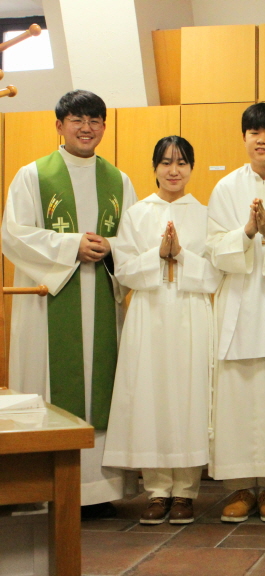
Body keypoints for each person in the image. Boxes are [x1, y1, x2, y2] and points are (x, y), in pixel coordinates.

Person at [2, 90, 137, 519]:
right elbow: (13, 234)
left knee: (101, 388)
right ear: (59, 125)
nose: (86, 128)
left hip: (102, 301)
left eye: (94, 120)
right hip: (49, 305)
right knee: (50, 386)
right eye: (77, 119)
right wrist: (71, 246)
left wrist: (110, 247)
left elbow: (134, 240)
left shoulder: (119, 181)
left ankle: (98, 490)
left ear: (104, 127)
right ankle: (46, 489)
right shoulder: (32, 176)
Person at [103, 136, 222, 525]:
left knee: (189, 395)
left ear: (191, 168)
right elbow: (123, 270)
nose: (174, 170)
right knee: (150, 395)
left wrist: (181, 255)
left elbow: (215, 274)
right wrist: (158, 255)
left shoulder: (204, 214)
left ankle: (186, 491)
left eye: (182, 162)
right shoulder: (137, 214)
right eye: (166, 162)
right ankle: (156, 490)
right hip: (149, 313)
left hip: (191, 311)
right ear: (154, 167)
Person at [206, 103, 265, 524]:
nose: (261, 139)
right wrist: (245, 232)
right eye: (254, 132)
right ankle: (240, 488)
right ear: (244, 137)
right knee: (237, 396)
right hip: (238, 303)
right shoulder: (225, 188)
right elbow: (212, 249)